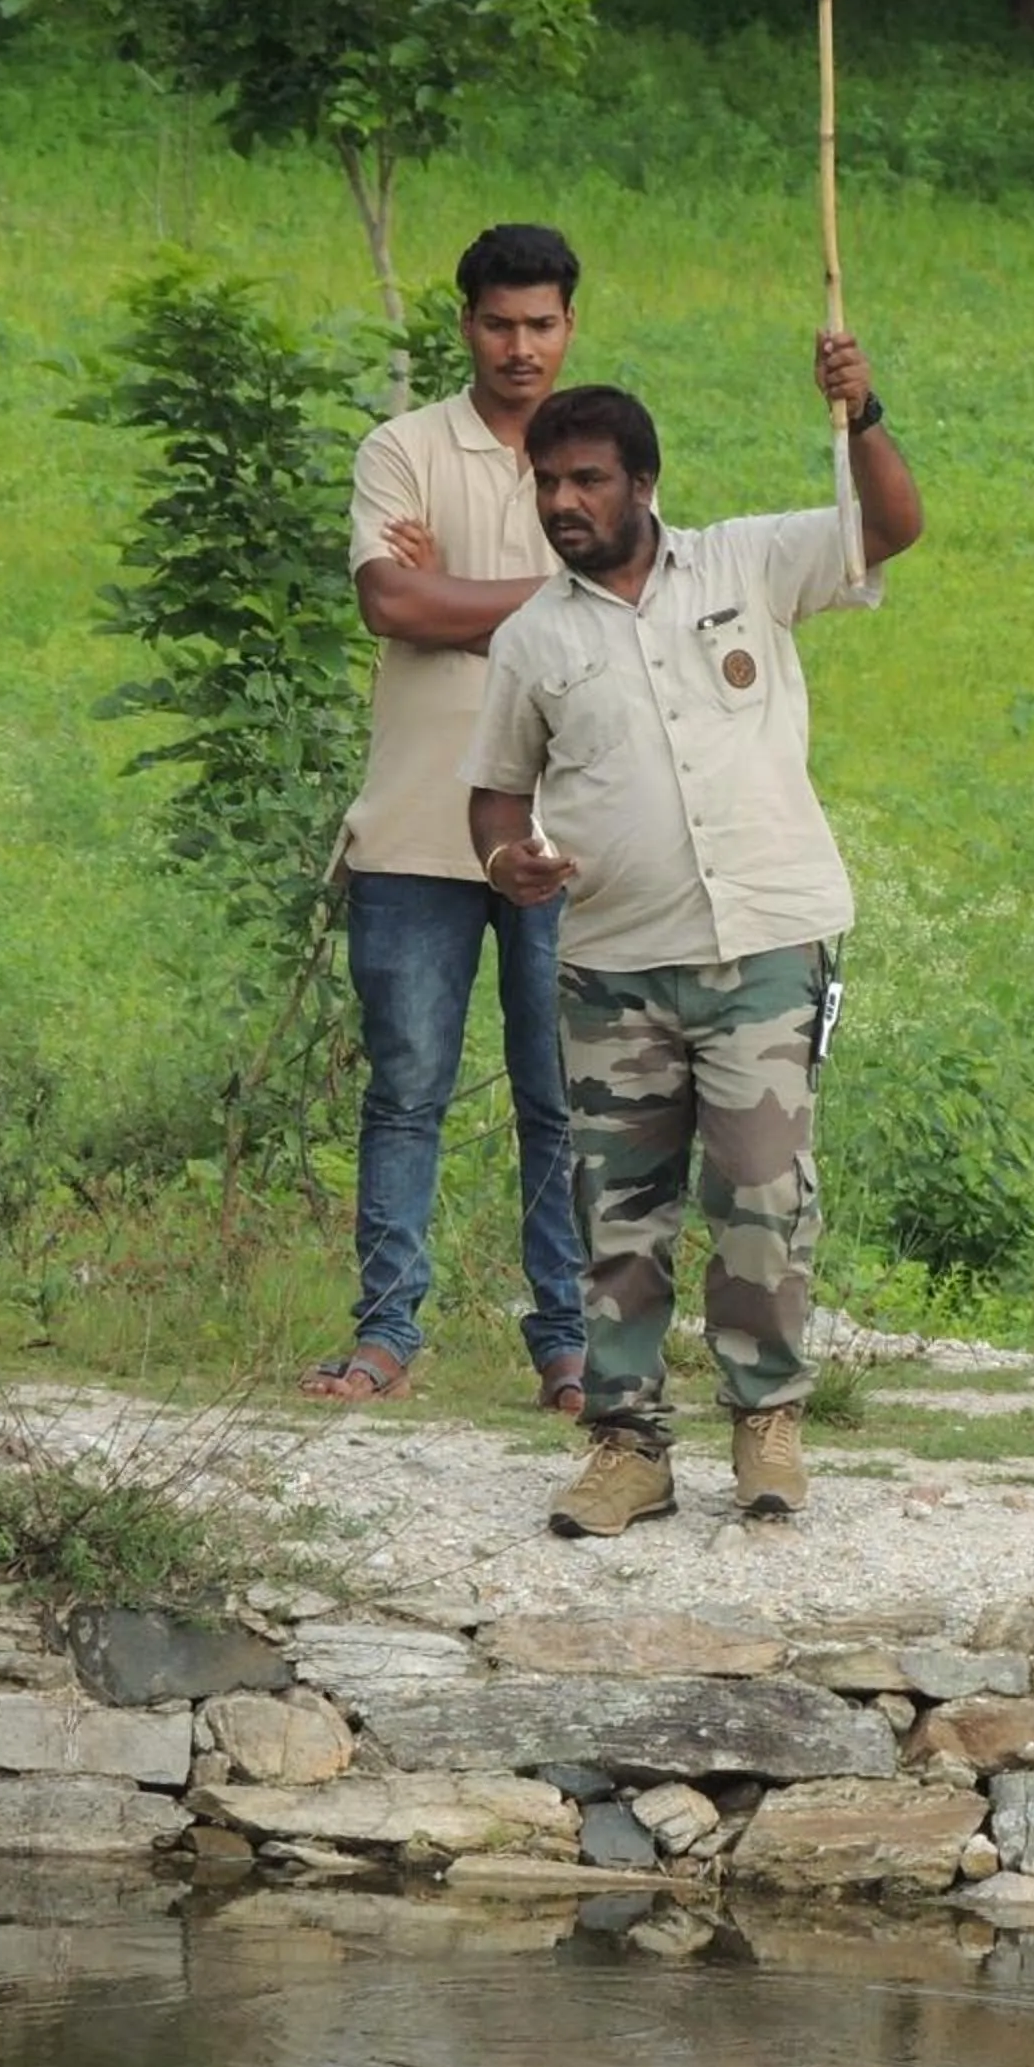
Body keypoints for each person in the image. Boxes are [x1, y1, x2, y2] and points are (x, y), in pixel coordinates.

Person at [463, 338, 923, 1537]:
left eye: (589, 481)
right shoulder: (532, 641)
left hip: (769, 940)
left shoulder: (750, 563)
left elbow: (892, 527)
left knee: (764, 1188)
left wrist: (861, 411)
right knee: (618, 1209)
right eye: (549, 483)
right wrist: (506, 862)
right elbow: (497, 795)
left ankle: (767, 1423)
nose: (565, 501)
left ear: (644, 484)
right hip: (611, 965)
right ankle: (627, 1447)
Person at [300, 224, 593, 1412]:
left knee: (561, 1095)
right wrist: (556, 599)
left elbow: (625, 605)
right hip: (418, 828)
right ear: (462, 322)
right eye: (497, 323)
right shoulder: (402, 449)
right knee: (406, 1087)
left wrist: (454, 600)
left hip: (563, 829)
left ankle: (570, 1344)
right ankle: (386, 1340)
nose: (519, 348)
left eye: (541, 324)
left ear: (572, 326)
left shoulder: (603, 453)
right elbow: (390, 600)